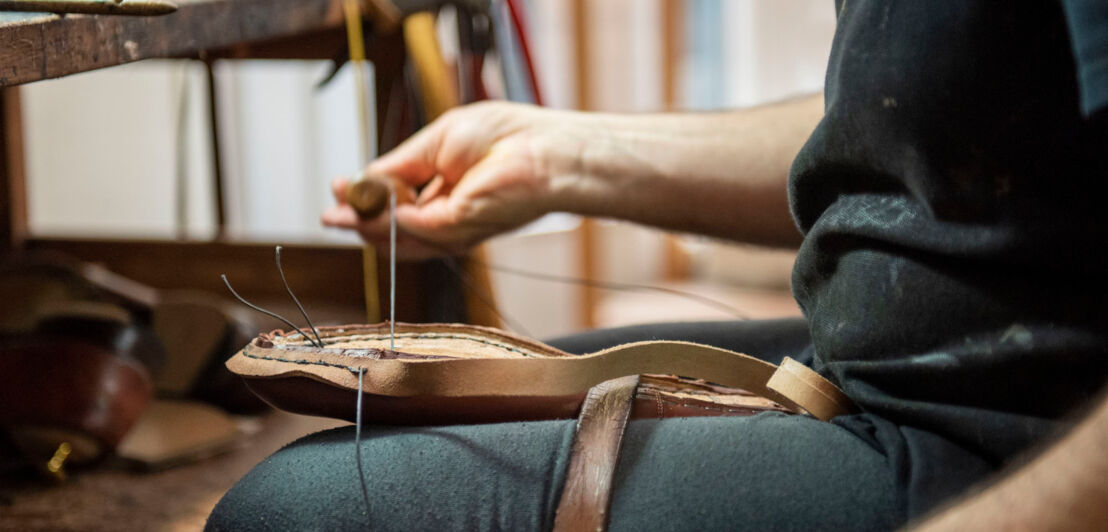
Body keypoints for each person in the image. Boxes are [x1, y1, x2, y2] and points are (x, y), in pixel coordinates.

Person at [207, 1, 1108, 530]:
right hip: (913, 360)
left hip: (1016, 436)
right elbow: (919, 135)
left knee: (295, 513)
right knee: (473, 392)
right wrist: (562, 157)